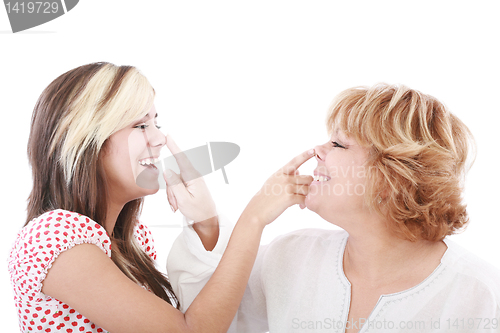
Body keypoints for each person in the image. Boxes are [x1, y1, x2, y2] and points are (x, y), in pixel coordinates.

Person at [7, 62, 315, 333]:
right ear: (88, 141)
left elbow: (203, 311)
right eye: (141, 125)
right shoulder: (52, 237)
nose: (158, 139)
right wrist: (254, 218)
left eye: (157, 123)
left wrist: (205, 220)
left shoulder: (132, 241)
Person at [169, 83, 500, 333]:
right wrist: (221, 219)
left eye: (338, 143)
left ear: (392, 179)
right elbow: (208, 320)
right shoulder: (291, 255)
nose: (318, 150)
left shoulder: (480, 296)